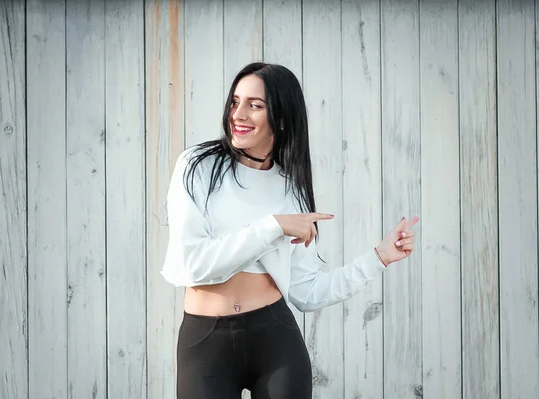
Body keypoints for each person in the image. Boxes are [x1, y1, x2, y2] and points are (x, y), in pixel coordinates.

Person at [160, 62, 419, 399]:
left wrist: (378, 258)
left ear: (280, 119)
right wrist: (274, 226)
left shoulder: (290, 188)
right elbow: (191, 265)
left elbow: (307, 293)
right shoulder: (197, 165)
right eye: (235, 102)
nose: (238, 114)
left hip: (275, 341)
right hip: (205, 342)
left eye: (255, 105)